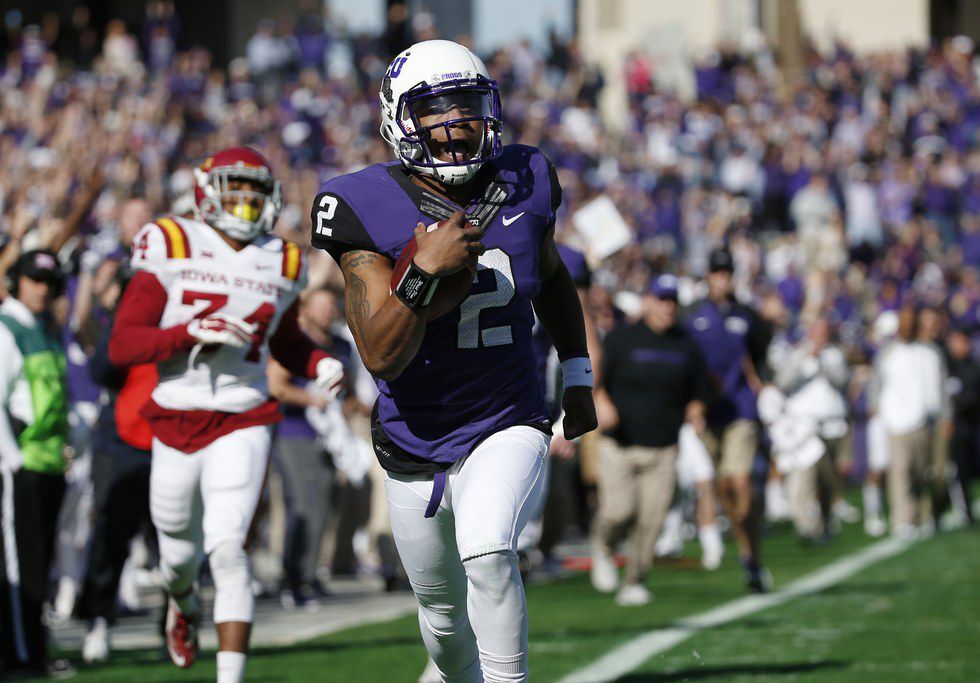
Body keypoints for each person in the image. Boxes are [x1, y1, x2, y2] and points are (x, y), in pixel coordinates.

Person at [311, 40, 597, 682]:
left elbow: (551, 276)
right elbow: (381, 354)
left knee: (490, 552)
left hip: (507, 416)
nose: (455, 124)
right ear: (398, 120)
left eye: (466, 106)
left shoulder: (527, 175)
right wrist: (423, 272)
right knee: (442, 621)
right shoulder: (360, 203)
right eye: (434, 111)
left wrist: (578, 375)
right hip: (413, 436)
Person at [108, 147, 345, 683]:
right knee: (177, 556)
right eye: (235, 188)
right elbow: (122, 345)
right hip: (176, 413)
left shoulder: (282, 258)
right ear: (207, 191)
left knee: (227, 544)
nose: (246, 201)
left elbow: (285, 339)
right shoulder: (170, 241)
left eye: (256, 191)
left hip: (243, 413)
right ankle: (182, 602)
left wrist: (319, 362)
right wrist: (190, 332)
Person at [592, 274, 710, 605]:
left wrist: (697, 410)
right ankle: (603, 547)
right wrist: (601, 402)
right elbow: (595, 380)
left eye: (672, 301)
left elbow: (700, 389)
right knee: (618, 512)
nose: (667, 307)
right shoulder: (621, 338)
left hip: (664, 446)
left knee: (651, 520)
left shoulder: (686, 344)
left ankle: (635, 579)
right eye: (661, 299)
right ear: (647, 301)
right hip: (620, 444)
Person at [0, 250, 73, 678]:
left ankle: (35, 648)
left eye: (48, 282)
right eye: (33, 280)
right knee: (20, 566)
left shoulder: (43, 328)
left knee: (40, 564)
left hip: (48, 462)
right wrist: (10, 459)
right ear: (15, 282)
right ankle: (20, 655)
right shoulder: (7, 328)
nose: (42, 289)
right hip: (21, 464)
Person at [686, 248, 771, 592]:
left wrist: (762, 384)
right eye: (718, 273)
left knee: (739, 482)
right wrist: (691, 403)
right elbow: (687, 361)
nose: (723, 279)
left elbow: (761, 355)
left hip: (741, 409)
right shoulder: (692, 316)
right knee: (724, 488)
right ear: (708, 276)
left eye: (727, 273)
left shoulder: (747, 316)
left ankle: (751, 552)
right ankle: (750, 552)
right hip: (708, 414)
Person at [268, 287, 351, 607]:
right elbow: (276, 385)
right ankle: (294, 579)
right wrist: (310, 399)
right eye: (322, 305)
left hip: (329, 436)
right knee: (305, 506)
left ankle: (309, 574)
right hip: (294, 431)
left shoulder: (340, 344)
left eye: (332, 305)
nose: (329, 311)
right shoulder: (297, 342)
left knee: (325, 507)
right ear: (305, 310)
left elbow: (347, 389)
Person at [869, 305, 946, 537]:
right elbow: (876, 382)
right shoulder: (888, 353)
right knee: (900, 471)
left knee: (922, 472)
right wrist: (876, 407)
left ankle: (922, 513)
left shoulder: (929, 352)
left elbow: (940, 387)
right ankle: (902, 518)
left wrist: (944, 415)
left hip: (923, 421)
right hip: (895, 421)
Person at [944, 326, 979, 526]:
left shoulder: (973, 367)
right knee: (951, 471)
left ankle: (964, 509)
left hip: (967, 426)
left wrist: (955, 405)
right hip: (948, 426)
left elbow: (973, 397)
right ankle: (947, 509)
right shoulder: (946, 365)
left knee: (965, 469)